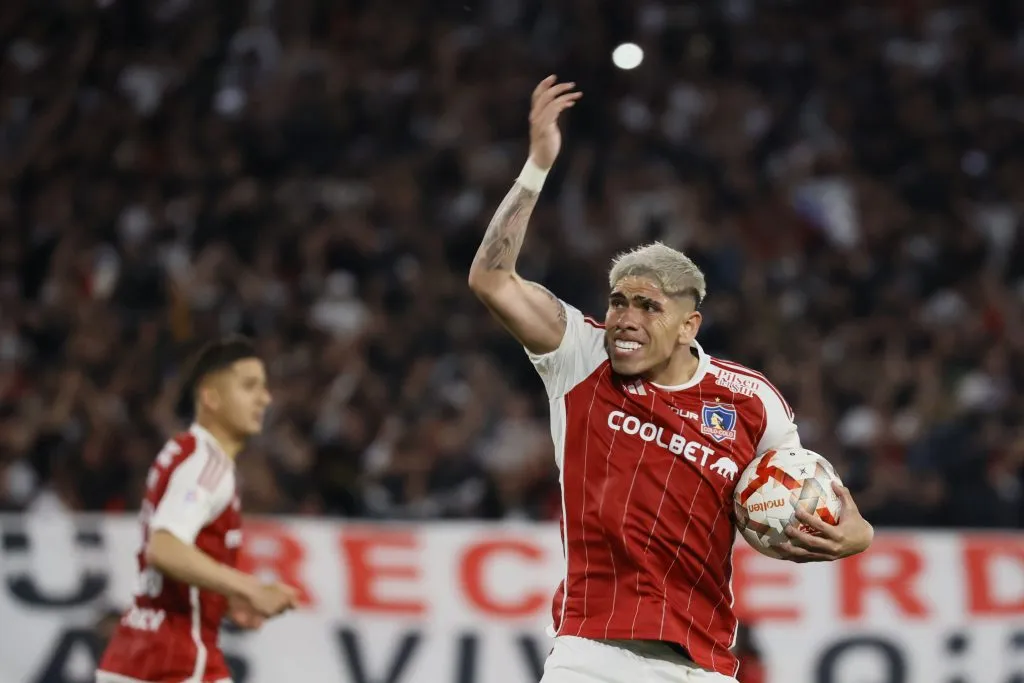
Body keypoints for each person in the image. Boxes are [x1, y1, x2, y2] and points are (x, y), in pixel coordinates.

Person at [468, 76, 874, 683]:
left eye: (647, 307)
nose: (625, 320)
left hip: (702, 668)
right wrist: (537, 166)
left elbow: (809, 492)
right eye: (618, 302)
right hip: (590, 656)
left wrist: (855, 537)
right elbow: (491, 280)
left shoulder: (751, 401)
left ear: (689, 325)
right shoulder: (581, 356)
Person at [96, 337, 299, 683]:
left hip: (145, 649)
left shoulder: (183, 452)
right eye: (249, 386)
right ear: (211, 397)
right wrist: (249, 588)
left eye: (264, 387)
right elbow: (165, 547)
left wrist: (227, 599)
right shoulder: (207, 466)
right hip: (174, 660)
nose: (265, 398)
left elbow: (176, 559)